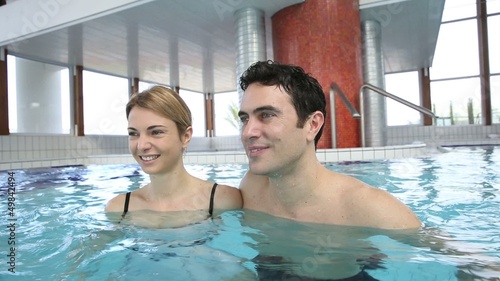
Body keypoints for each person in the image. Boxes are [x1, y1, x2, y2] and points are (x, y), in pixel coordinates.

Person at [237, 60, 421, 230]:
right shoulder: (252, 188)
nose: (247, 132)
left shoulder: (371, 209)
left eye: (267, 115)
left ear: (312, 125)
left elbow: (443, 253)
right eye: (245, 118)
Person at [105, 85, 242, 228]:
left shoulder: (223, 201)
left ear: (185, 136)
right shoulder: (119, 209)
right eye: (133, 134)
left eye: (156, 132)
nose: (141, 145)